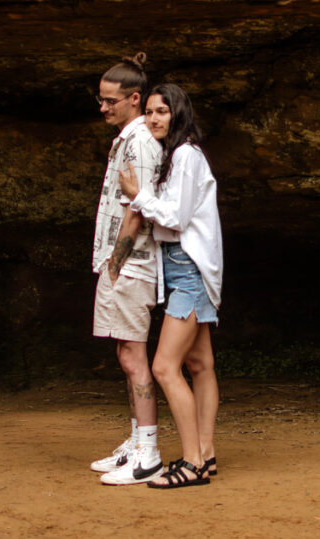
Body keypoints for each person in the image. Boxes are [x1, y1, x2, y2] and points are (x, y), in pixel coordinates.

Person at [118, 83, 222, 489]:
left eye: (163, 111)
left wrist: (138, 196)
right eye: (149, 111)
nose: (154, 118)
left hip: (189, 270)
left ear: (178, 115)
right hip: (186, 268)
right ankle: (206, 454)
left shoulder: (184, 155)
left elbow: (175, 218)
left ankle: (193, 463)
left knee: (164, 366)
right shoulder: (177, 155)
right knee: (199, 365)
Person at [88, 53, 165, 485]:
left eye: (110, 100)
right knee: (125, 354)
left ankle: (148, 452)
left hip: (131, 266)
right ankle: (136, 441)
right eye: (100, 99)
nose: (103, 107)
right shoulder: (127, 138)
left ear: (134, 99)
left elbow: (137, 209)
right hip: (121, 264)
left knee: (135, 357)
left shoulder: (138, 142)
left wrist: (115, 266)